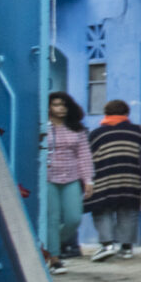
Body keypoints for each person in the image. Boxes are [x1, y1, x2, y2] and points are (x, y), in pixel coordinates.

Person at [85, 100, 141, 261]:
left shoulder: (96, 133)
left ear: (106, 114)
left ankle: (107, 245)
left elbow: (87, 158)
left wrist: (86, 181)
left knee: (102, 210)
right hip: (131, 178)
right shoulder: (140, 131)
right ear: (127, 114)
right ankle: (126, 248)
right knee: (129, 210)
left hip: (104, 178)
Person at [42, 92, 91, 270]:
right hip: (48, 178)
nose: (60, 108)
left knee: (74, 218)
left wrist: (88, 180)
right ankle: (54, 258)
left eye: (63, 105)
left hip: (71, 177)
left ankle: (48, 244)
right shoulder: (43, 127)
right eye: (56, 105)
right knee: (52, 218)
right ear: (48, 107)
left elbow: (84, 156)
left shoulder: (76, 128)